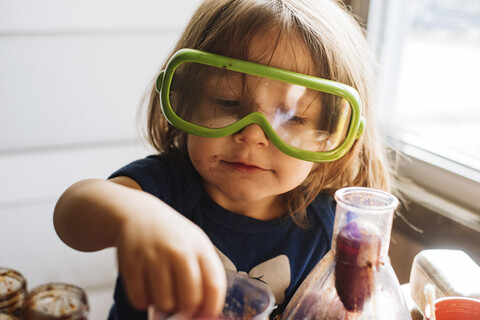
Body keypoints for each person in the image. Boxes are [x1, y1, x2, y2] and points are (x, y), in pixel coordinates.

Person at [53, 0, 393, 319]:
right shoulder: (164, 188)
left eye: (292, 117)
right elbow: (72, 211)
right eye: (228, 102)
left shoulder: (329, 230)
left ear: (331, 136)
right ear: (185, 98)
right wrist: (137, 216)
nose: (254, 135)